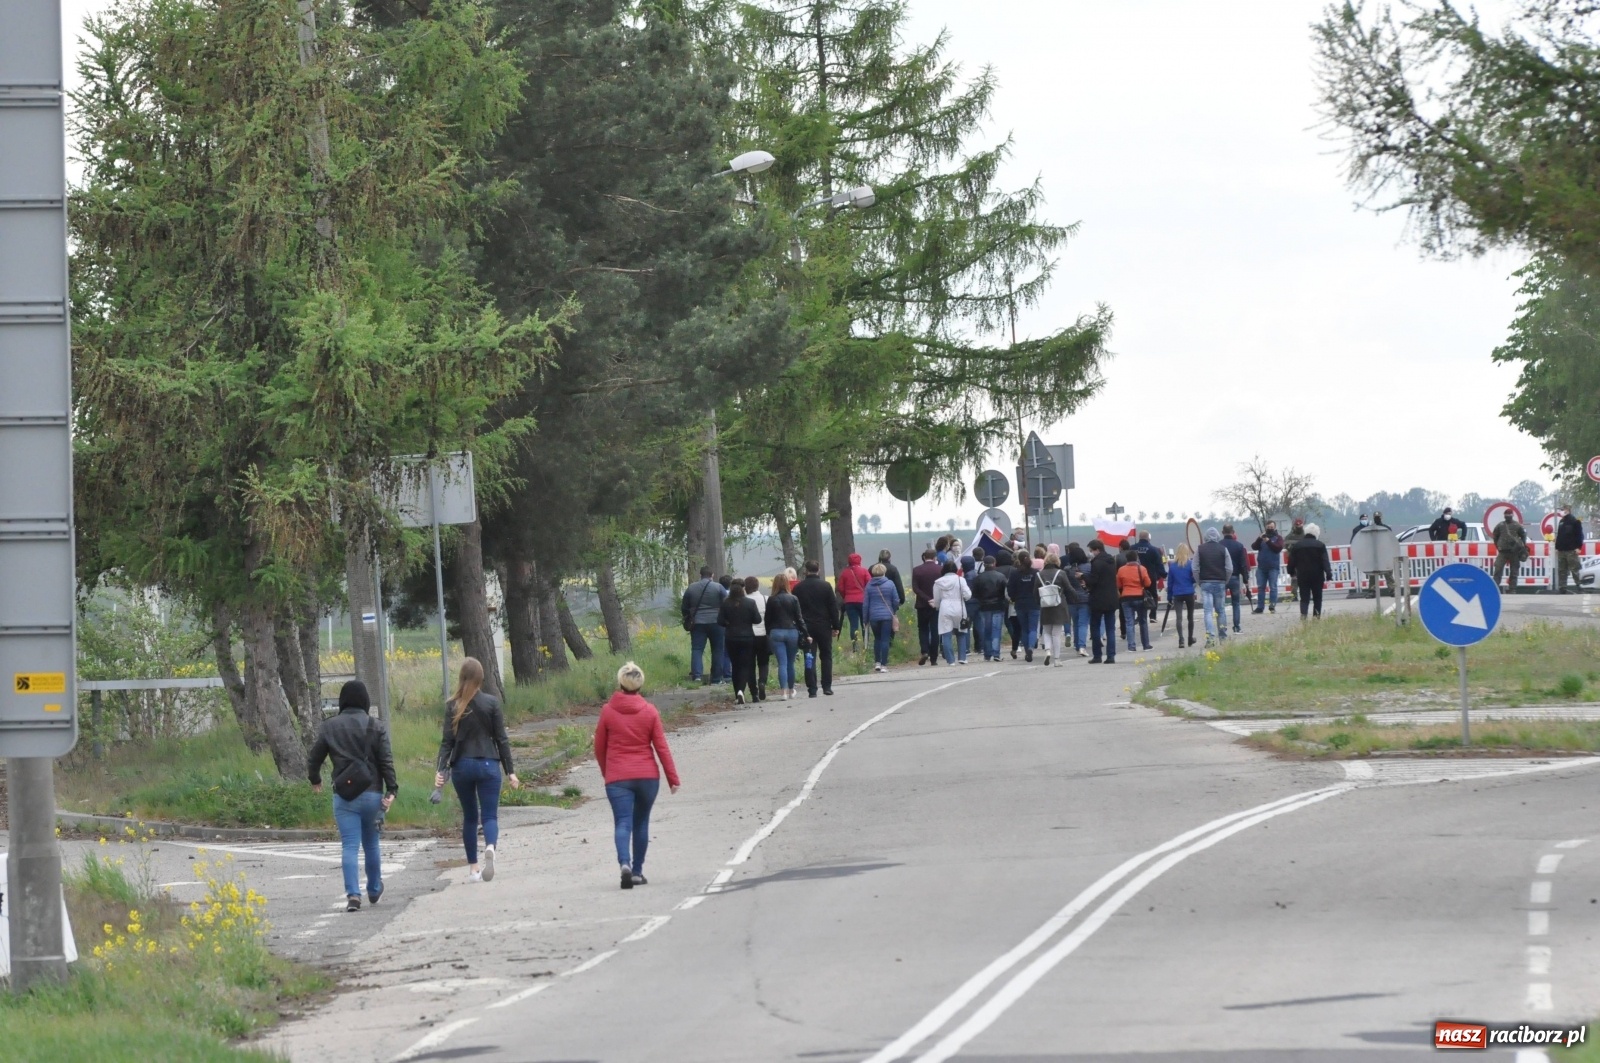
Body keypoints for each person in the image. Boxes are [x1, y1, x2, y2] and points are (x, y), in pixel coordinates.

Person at [308, 679, 397, 912]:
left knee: (349, 845)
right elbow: (386, 761)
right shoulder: (375, 726)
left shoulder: (330, 726)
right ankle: (375, 888)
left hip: (344, 796)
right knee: (372, 844)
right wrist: (392, 790)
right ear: (365, 700)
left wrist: (315, 779)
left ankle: (353, 896)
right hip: (372, 794)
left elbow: (314, 757)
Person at [594, 662, 680, 889]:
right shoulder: (650, 711)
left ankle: (625, 863)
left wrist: (608, 773)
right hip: (647, 777)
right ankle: (637, 872)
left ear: (620, 682)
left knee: (623, 822)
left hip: (618, 778)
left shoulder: (608, 711)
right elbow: (661, 747)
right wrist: (673, 778)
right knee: (641, 823)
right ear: (640, 684)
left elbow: (599, 748)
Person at [434, 658, 520, 885]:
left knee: (470, 817)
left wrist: (440, 769)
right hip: (488, 765)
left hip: (462, 766)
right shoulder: (491, 703)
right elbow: (501, 739)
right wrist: (510, 771)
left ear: (461, 677)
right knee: (489, 815)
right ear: (481, 679)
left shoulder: (452, 705)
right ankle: (490, 846)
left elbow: (446, 742)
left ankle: (473, 869)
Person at [763, 573, 808, 700]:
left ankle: (783, 692)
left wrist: (768, 633)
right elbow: (799, 619)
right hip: (791, 632)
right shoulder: (793, 598)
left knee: (781, 663)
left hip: (776, 632)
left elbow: (767, 619)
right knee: (790, 662)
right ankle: (791, 689)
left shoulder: (771, 599)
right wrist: (806, 634)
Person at [681, 566, 728, 684]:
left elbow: (684, 607)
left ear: (700, 575)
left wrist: (688, 616)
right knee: (717, 650)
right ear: (712, 575)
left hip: (697, 623)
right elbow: (726, 604)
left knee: (697, 649)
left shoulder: (691, 588)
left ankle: (697, 676)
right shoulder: (718, 587)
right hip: (716, 622)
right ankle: (716, 679)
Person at [718, 581, 762, 705]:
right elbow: (757, 619)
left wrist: (729, 623)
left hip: (731, 638)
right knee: (747, 665)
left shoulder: (726, 603)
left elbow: (719, 621)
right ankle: (749, 693)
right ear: (743, 590)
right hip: (747, 637)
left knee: (735, 665)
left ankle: (737, 692)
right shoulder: (750, 603)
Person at [1196, 527, 1233, 647]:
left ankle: (1210, 638)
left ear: (1205, 537)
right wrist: (1225, 580)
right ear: (1218, 536)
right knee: (1221, 611)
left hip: (1205, 582)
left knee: (1208, 612)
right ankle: (1223, 638)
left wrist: (1199, 582)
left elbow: (1195, 568)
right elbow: (1229, 568)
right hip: (1220, 582)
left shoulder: (1200, 549)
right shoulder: (1223, 549)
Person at [931, 559, 973, 664]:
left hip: (945, 607)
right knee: (961, 632)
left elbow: (936, 599)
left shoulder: (938, 582)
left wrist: (937, 606)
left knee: (946, 633)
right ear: (955, 569)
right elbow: (967, 595)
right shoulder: (960, 580)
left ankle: (950, 660)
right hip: (959, 606)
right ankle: (962, 657)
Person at [1085, 540, 1120, 663]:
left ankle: (1097, 655)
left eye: (1091, 551)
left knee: (1095, 627)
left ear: (1097, 550)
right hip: (1111, 598)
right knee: (1110, 628)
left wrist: (1083, 577)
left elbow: (1093, 580)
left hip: (1098, 599)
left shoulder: (1097, 563)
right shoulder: (1111, 560)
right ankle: (1111, 656)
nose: (1091, 553)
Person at [1287, 523, 1333, 618]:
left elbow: (1291, 561)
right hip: (1317, 575)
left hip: (1302, 575)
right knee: (1317, 597)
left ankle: (1303, 616)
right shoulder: (1320, 545)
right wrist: (1329, 575)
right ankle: (1316, 617)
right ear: (1317, 533)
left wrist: (1291, 572)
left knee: (1304, 597)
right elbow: (1325, 561)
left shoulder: (1297, 546)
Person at [864, 563, 902, 672]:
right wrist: (893, 611)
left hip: (873, 616)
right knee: (885, 639)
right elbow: (896, 600)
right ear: (884, 572)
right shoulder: (890, 584)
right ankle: (884, 665)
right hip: (887, 616)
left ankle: (877, 662)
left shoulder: (869, 585)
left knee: (877, 639)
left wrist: (865, 619)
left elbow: (866, 604)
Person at [971, 554, 1010, 661]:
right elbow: (1005, 592)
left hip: (984, 607)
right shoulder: (1001, 576)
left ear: (984, 564)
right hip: (998, 605)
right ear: (994, 563)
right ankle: (996, 653)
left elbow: (975, 594)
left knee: (986, 630)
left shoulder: (979, 578)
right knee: (996, 629)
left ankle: (987, 653)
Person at [1007, 548, 1043, 663]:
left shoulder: (1015, 573)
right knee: (1033, 627)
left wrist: (1013, 598)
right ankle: (1031, 648)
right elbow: (1040, 587)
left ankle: (1027, 647)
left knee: (1024, 628)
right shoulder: (1035, 573)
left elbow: (1010, 589)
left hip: (1020, 603)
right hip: (1034, 603)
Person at [1035, 554, 1071, 666]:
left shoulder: (1039, 575)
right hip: (1059, 605)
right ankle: (1057, 659)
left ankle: (1047, 651)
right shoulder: (1061, 573)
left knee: (1046, 631)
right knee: (1056, 633)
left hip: (1045, 605)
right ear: (1057, 561)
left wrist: (1038, 603)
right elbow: (1069, 588)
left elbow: (1035, 592)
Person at [910, 548, 942, 665]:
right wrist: (934, 599)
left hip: (922, 604)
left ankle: (924, 651)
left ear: (924, 557)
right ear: (935, 558)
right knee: (935, 630)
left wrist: (927, 599)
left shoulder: (917, 570)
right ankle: (934, 658)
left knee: (923, 628)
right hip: (936, 605)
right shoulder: (940, 569)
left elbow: (915, 588)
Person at [1117, 547, 1153, 652]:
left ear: (1127, 559)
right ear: (1136, 558)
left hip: (1126, 597)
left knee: (1129, 622)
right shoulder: (1142, 569)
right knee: (1143, 621)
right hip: (1140, 596)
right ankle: (1146, 645)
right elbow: (1148, 583)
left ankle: (1131, 646)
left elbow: (1118, 584)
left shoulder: (1121, 570)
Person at [837, 552, 871, 650]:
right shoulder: (864, 571)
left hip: (849, 602)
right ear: (860, 561)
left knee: (853, 625)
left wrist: (846, 596)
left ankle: (855, 647)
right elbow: (869, 584)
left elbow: (840, 587)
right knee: (865, 623)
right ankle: (866, 645)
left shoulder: (845, 573)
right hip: (863, 601)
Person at [744, 576, 770, 702]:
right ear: (757, 586)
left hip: (748, 635)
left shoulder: (743, 600)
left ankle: (754, 692)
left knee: (750, 665)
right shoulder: (766, 599)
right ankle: (762, 682)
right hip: (763, 635)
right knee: (763, 662)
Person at [1167, 543, 1198, 648]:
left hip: (1177, 594)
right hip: (1189, 592)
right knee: (1190, 617)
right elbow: (1194, 579)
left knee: (1179, 618)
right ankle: (1190, 638)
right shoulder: (1190, 564)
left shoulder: (1172, 566)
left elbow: (1170, 583)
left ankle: (1181, 640)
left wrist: (1169, 597)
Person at [1063, 542, 1091, 656]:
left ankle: (1076, 644)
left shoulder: (1067, 569)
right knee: (1083, 623)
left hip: (1071, 599)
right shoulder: (1089, 567)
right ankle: (1082, 646)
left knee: (1075, 622)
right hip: (1085, 598)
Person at [1250, 522, 1285, 614]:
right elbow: (1254, 547)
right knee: (1261, 587)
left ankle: (1272, 606)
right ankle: (1260, 607)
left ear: (1275, 528)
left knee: (1273, 587)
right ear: (1265, 528)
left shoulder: (1278, 538)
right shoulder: (1261, 539)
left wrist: (1268, 541)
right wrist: (1259, 538)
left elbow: (1278, 548)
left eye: (1271, 527)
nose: (1270, 528)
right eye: (1268, 527)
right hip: (1262, 567)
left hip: (1273, 567)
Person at [1221, 524, 1250, 634]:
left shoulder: (1219, 545)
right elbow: (1243, 565)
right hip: (1234, 577)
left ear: (1222, 532)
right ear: (1233, 532)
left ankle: (1222, 628)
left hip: (1222, 578)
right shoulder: (1239, 546)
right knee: (1236, 603)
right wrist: (1246, 580)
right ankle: (1237, 627)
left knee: (1221, 605)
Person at [1492, 510, 1529, 592]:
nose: (1508, 516)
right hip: (1503, 552)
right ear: (1504, 515)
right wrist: (1498, 546)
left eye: (1509, 514)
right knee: (1498, 569)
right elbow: (1495, 536)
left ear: (1512, 515)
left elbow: (1523, 535)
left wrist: (1522, 546)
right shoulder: (1500, 525)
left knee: (1514, 571)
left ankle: (1512, 589)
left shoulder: (1517, 525)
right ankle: (1495, 588)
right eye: (1506, 514)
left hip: (1514, 552)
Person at [1554, 507, 1584, 594]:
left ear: (1568, 511)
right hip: (1562, 550)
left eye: (1564, 510)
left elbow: (1580, 535)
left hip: (1571, 550)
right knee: (1562, 570)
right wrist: (1557, 547)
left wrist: (1578, 547)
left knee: (1574, 569)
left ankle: (1579, 586)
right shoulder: (1561, 522)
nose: (1562, 512)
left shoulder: (1575, 522)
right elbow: (1559, 536)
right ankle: (1562, 588)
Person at [1283, 517, 1306, 600]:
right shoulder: (1289, 536)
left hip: (1305, 560)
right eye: (1297, 525)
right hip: (1294, 560)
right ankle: (1294, 595)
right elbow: (1286, 546)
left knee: (1305, 578)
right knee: (1294, 579)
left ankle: (1306, 594)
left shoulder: (1306, 535)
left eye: (1300, 525)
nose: (1298, 526)